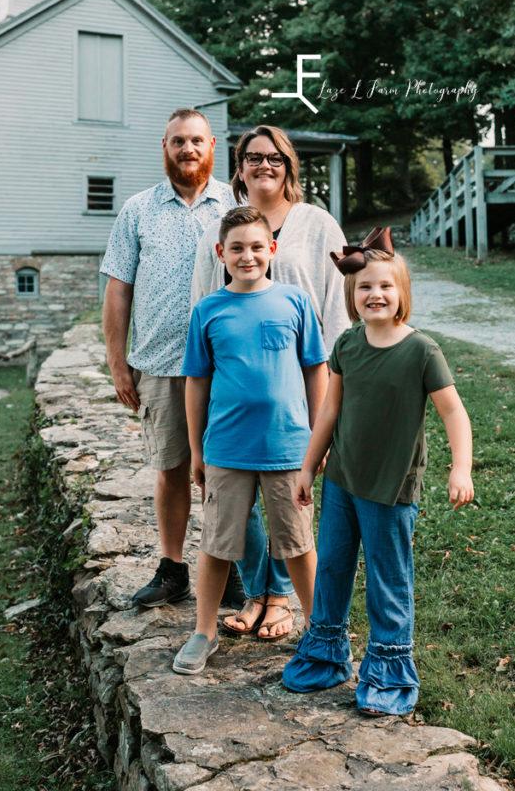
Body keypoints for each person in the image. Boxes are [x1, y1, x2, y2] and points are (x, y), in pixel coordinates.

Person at [283, 227, 474, 716]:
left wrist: (461, 468)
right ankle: (326, 652)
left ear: (402, 293)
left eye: (386, 286)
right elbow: (329, 411)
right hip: (343, 481)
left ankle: (388, 669)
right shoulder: (347, 345)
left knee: (388, 580)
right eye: (365, 286)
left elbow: (453, 412)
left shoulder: (422, 351)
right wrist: (309, 467)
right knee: (332, 570)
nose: (375, 294)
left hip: (390, 490)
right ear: (353, 294)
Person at [191, 124, 350, 640]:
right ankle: (258, 593)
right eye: (253, 156)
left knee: (291, 512)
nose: (264, 164)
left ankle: (282, 599)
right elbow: (204, 308)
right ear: (238, 167)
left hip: (301, 388)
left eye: (275, 157)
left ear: (290, 165)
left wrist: (325, 405)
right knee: (237, 508)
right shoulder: (222, 230)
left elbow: (337, 306)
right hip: (236, 400)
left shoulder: (318, 224)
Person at [172, 206, 329, 674]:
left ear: (272, 250)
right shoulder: (209, 310)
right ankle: (203, 632)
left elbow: (314, 370)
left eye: (257, 246)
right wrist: (197, 449)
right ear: (221, 253)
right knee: (218, 543)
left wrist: (317, 440)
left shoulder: (294, 302)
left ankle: (321, 630)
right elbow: (196, 382)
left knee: (298, 543)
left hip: (287, 447)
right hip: (226, 448)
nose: (247, 255)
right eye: (236, 248)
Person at [101, 108, 238, 609]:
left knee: (228, 471)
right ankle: (173, 568)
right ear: (164, 146)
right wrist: (119, 364)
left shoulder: (234, 204)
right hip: (158, 363)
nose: (188, 149)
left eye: (197, 141)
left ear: (212, 147)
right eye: (178, 141)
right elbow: (118, 291)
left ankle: (232, 568)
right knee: (170, 468)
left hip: (227, 364)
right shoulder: (137, 211)